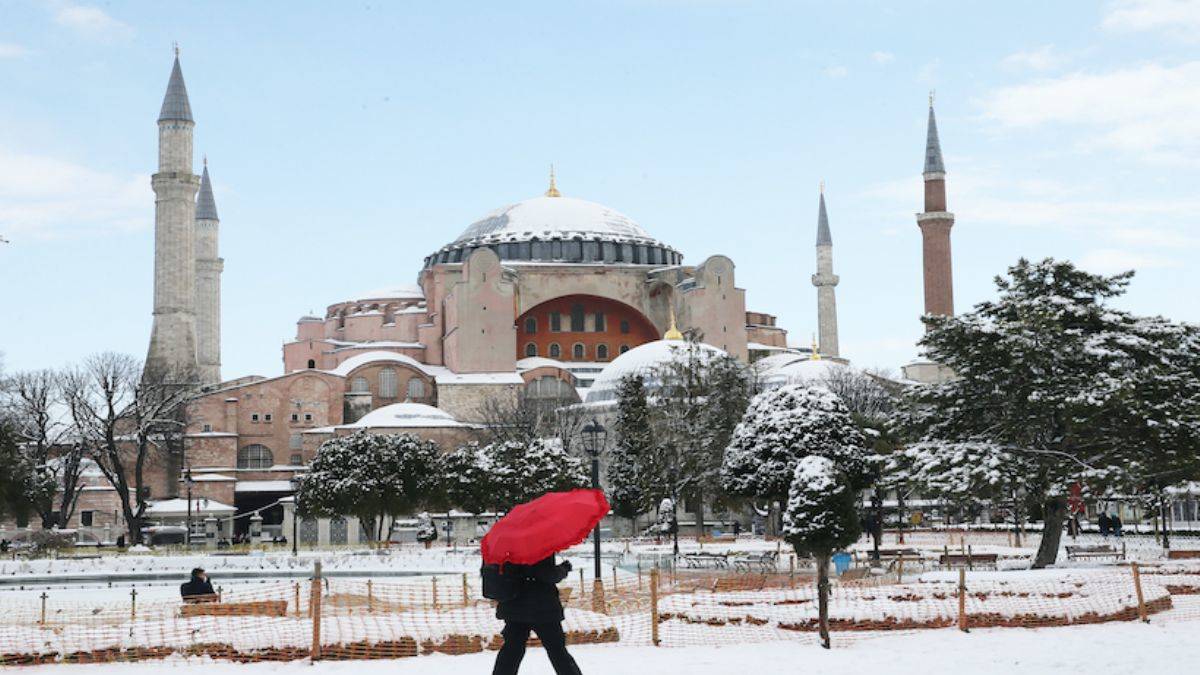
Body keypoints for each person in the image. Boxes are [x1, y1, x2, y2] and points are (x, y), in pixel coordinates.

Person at [492, 555, 581, 675]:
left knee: (511, 651)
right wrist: (564, 569)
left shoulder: (508, 549)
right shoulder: (539, 547)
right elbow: (548, 575)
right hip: (543, 609)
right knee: (557, 651)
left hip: (514, 608)